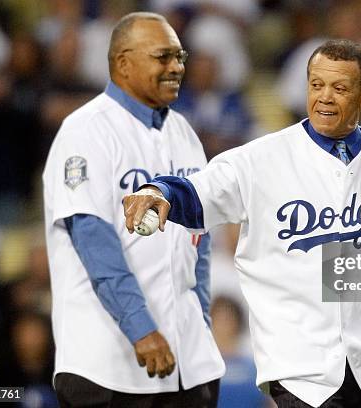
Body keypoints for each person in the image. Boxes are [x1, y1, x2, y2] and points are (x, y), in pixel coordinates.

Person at [123, 39, 361, 408]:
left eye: (339, 88)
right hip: (298, 366)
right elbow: (198, 192)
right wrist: (159, 191)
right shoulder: (262, 158)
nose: (325, 97)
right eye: (316, 85)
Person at [42, 12, 224, 407]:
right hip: (109, 362)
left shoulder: (185, 134)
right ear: (123, 63)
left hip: (188, 362)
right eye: (163, 57)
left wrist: (202, 325)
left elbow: (200, 241)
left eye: (180, 56)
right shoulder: (86, 130)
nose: (176, 67)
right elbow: (93, 239)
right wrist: (141, 329)